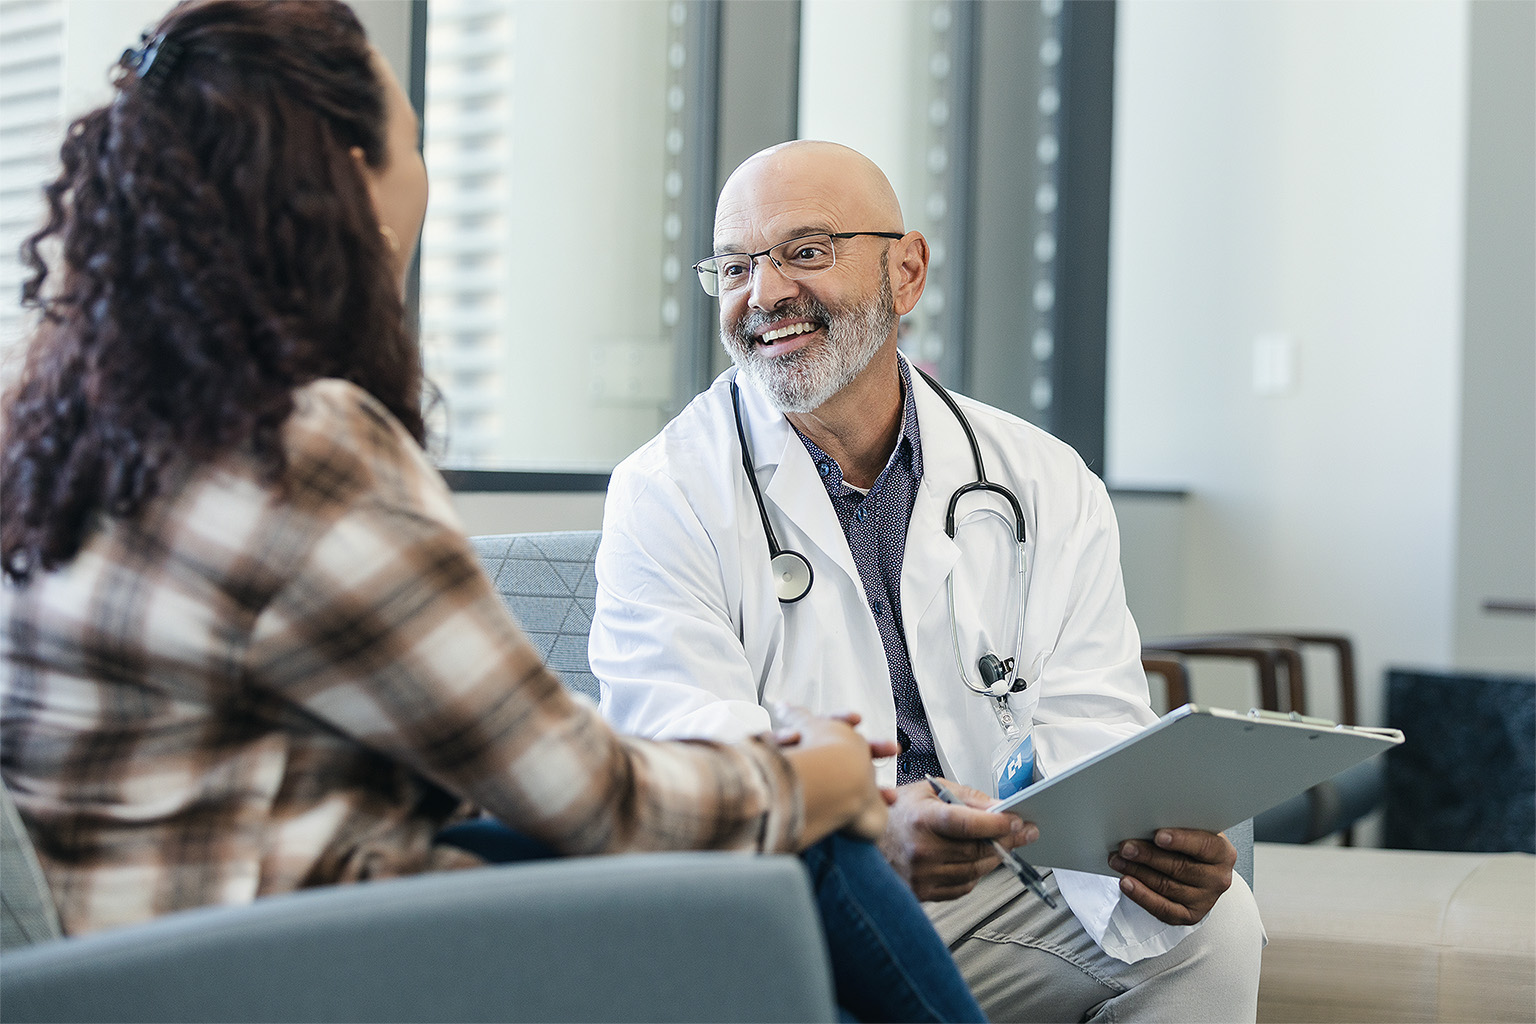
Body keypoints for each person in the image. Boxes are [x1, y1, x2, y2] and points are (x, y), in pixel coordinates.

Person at [0, 7, 983, 1020]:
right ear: (349, 183)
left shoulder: (77, 429)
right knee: (803, 841)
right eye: (413, 144)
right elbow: (597, 798)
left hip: (145, 952)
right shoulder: (303, 445)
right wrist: (820, 777)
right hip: (273, 963)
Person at [591, 139, 1267, 1022]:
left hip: (994, 881)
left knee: (1213, 934)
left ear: (904, 272)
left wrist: (1144, 843)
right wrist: (868, 821)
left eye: (805, 252)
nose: (764, 295)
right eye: (734, 267)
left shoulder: (1045, 479)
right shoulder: (666, 488)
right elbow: (679, 740)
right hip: (795, 895)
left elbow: (1092, 714)